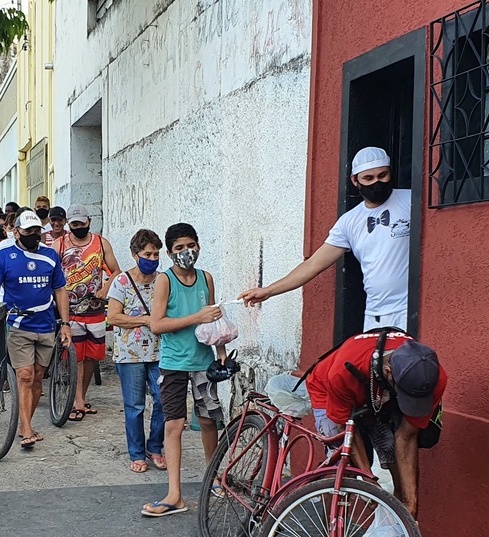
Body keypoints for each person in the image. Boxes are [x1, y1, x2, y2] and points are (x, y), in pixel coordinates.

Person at [239, 146, 413, 331]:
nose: (376, 183)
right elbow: (313, 264)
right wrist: (268, 291)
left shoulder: (412, 200)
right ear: (355, 180)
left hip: (411, 311)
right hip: (376, 315)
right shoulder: (349, 221)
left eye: (382, 175)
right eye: (368, 178)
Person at [304, 329, 446, 519]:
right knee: (341, 465)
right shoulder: (342, 372)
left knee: (397, 469)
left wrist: (410, 502)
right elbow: (343, 427)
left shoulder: (434, 378)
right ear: (388, 372)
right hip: (329, 389)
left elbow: (406, 436)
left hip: (379, 393)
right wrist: (367, 478)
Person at [143, 223, 227, 517]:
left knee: (208, 422)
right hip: (174, 364)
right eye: (178, 248)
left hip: (204, 363)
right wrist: (196, 317)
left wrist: (221, 356)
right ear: (169, 253)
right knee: (173, 425)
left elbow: (214, 318)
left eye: (190, 245)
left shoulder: (206, 278)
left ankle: (214, 477)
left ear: (199, 246)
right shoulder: (165, 281)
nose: (185, 252)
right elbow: (156, 324)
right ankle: (174, 493)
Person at [0, 210, 70, 449]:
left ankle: (25, 423)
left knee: (39, 375)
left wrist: (65, 324)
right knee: (25, 375)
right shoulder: (5, 255)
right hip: (17, 325)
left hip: (45, 325)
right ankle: (27, 430)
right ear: (16, 232)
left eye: (36, 231)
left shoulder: (50, 256)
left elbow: (60, 290)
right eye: (28, 231)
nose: (33, 235)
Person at [106, 229, 166, 473]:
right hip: (129, 355)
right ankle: (137, 453)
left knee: (164, 400)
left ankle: (155, 447)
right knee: (135, 406)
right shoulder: (121, 282)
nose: (152, 259)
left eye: (156, 254)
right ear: (135, 254)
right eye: (147, 254)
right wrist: (144, 320)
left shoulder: (163, 280)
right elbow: (113, 316)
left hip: (161, 352)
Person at [58, 204, 119, 421]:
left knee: (93, 357)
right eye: (74, 224)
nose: (78, 227)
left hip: (95, 309)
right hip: (71, 311)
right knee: (77, 358)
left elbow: (116, 272)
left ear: (89, 222)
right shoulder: (60, 244)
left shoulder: (101, 244)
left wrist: (105, 288)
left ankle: (81, 397)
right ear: (69, 224)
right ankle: (78, 402)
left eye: (81, 223)